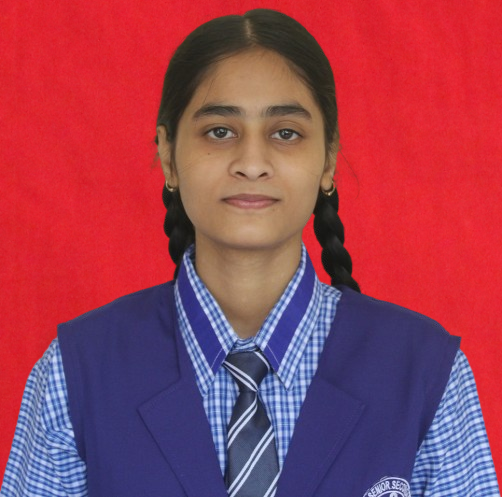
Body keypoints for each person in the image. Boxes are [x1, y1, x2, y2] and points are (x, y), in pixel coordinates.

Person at [1, 8, 499, 497]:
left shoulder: (427, 374)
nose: (252, 162)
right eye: (220, 131)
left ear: (328, 158)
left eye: (286, 133)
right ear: (168, 155)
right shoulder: (76, 374)